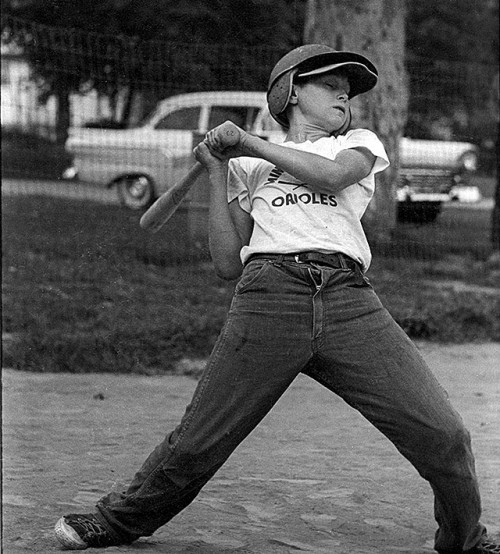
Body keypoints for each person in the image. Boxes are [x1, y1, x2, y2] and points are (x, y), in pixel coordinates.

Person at [54, 44, 499, 553]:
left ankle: (464, 538)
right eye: (329, 85)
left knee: (444, 433)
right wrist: (222, 169)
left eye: (347, 91)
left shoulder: (356, 144)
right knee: (200, 440)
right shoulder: (247, 169)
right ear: (288, 92)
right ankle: (117, 521)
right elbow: (227, 262)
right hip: (269, 294)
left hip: (348, 298)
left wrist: (249, 143)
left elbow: (330, 177)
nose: (343, 96)